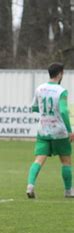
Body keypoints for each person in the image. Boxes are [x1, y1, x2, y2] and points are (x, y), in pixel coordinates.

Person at [26, 62, 74, 198]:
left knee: (38, 160)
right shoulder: (61, 91)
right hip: (59, 131)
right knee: (66, 161)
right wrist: (70, 131)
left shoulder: (40, 89)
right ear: (60, 74)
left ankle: (30, 186)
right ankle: (68, 191)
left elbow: (34, 107)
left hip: (43, 131)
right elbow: (64, 111)